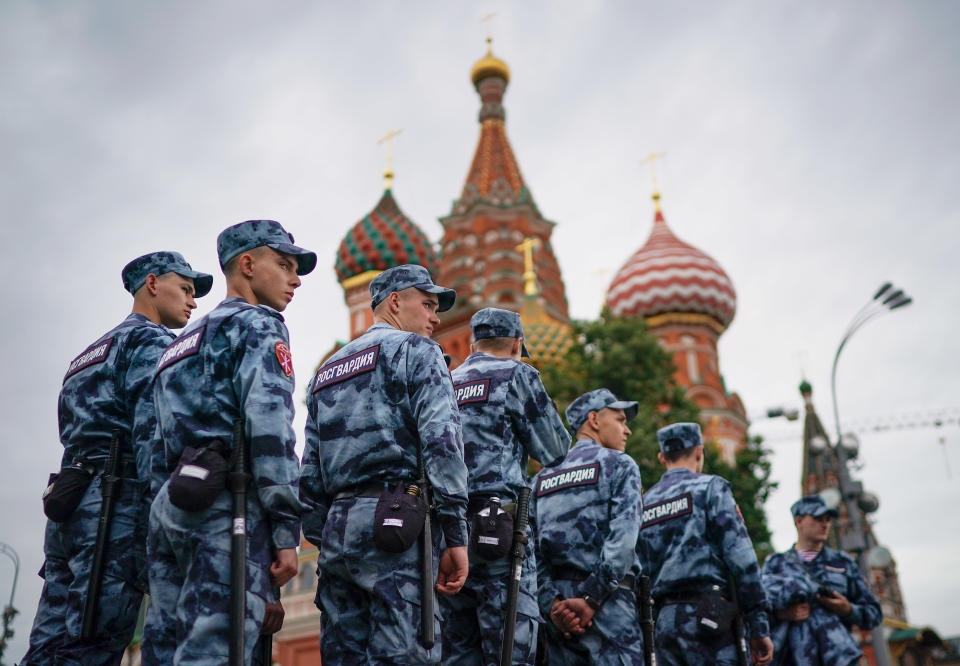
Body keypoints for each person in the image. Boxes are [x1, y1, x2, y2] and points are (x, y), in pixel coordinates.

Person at [22, 252, 211, 666]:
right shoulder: (151, 342)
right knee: (96, 638)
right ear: (152, 284)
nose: (193, 302)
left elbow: (68, 431)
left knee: (49, 640)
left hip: (70, 505)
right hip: (114, 508)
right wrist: (168, 511)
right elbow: (152, 435)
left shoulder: (86, 355)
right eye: (185, 289)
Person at [142, 220, 315, 665]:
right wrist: (284, 530)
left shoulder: (180, 343)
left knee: (165, 648)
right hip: (226, 507)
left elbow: (154, 444)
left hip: (171, 505)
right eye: (284, 264)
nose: (295, 280)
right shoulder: (258, 325)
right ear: (247, 264)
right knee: (217, 648)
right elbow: (272, 428)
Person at [299, 263, 470, 664]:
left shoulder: (326, 371)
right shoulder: (417, 351)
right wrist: (455, 533)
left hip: (338, 532)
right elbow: (442, 444)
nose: (435, 317)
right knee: (406, 653)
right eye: (427, 304)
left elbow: (309, 471)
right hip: (398, 525)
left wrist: (325, 539)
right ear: (395, 301)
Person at [440, 307, 570, 665]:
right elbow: (555, 451)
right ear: (517, 344)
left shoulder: (445, 381)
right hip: (498, 529)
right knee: (510, 648)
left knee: (456, 650)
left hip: (447, 532)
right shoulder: (517, 374)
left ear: (472, 344)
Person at [636, 422, 774, 666]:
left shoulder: (644, 504)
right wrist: (759, 625)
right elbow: (742, 560)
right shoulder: (711, 488)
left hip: (664, 625)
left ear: (661, 457)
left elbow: (639, 572)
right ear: (699, 452)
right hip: (711, 620)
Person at [530, 388, 645, 665]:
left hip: (558, 620)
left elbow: (530, 552)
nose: (626, 430)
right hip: (610, 607)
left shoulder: (541, 479)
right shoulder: (619, 465)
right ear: (594, 420)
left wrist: (554, 605)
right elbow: (623, 542)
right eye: (619, 420)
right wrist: (591, 598)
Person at [761, 495, 882, 666]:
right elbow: (755, 611)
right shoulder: (775, 563)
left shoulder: (843, 562)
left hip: (837, 658)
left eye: (827, 519)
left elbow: (874, 614)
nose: (825, 524)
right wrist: (781, 614)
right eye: (817, 518)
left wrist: (848, 609)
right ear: (799, 521)